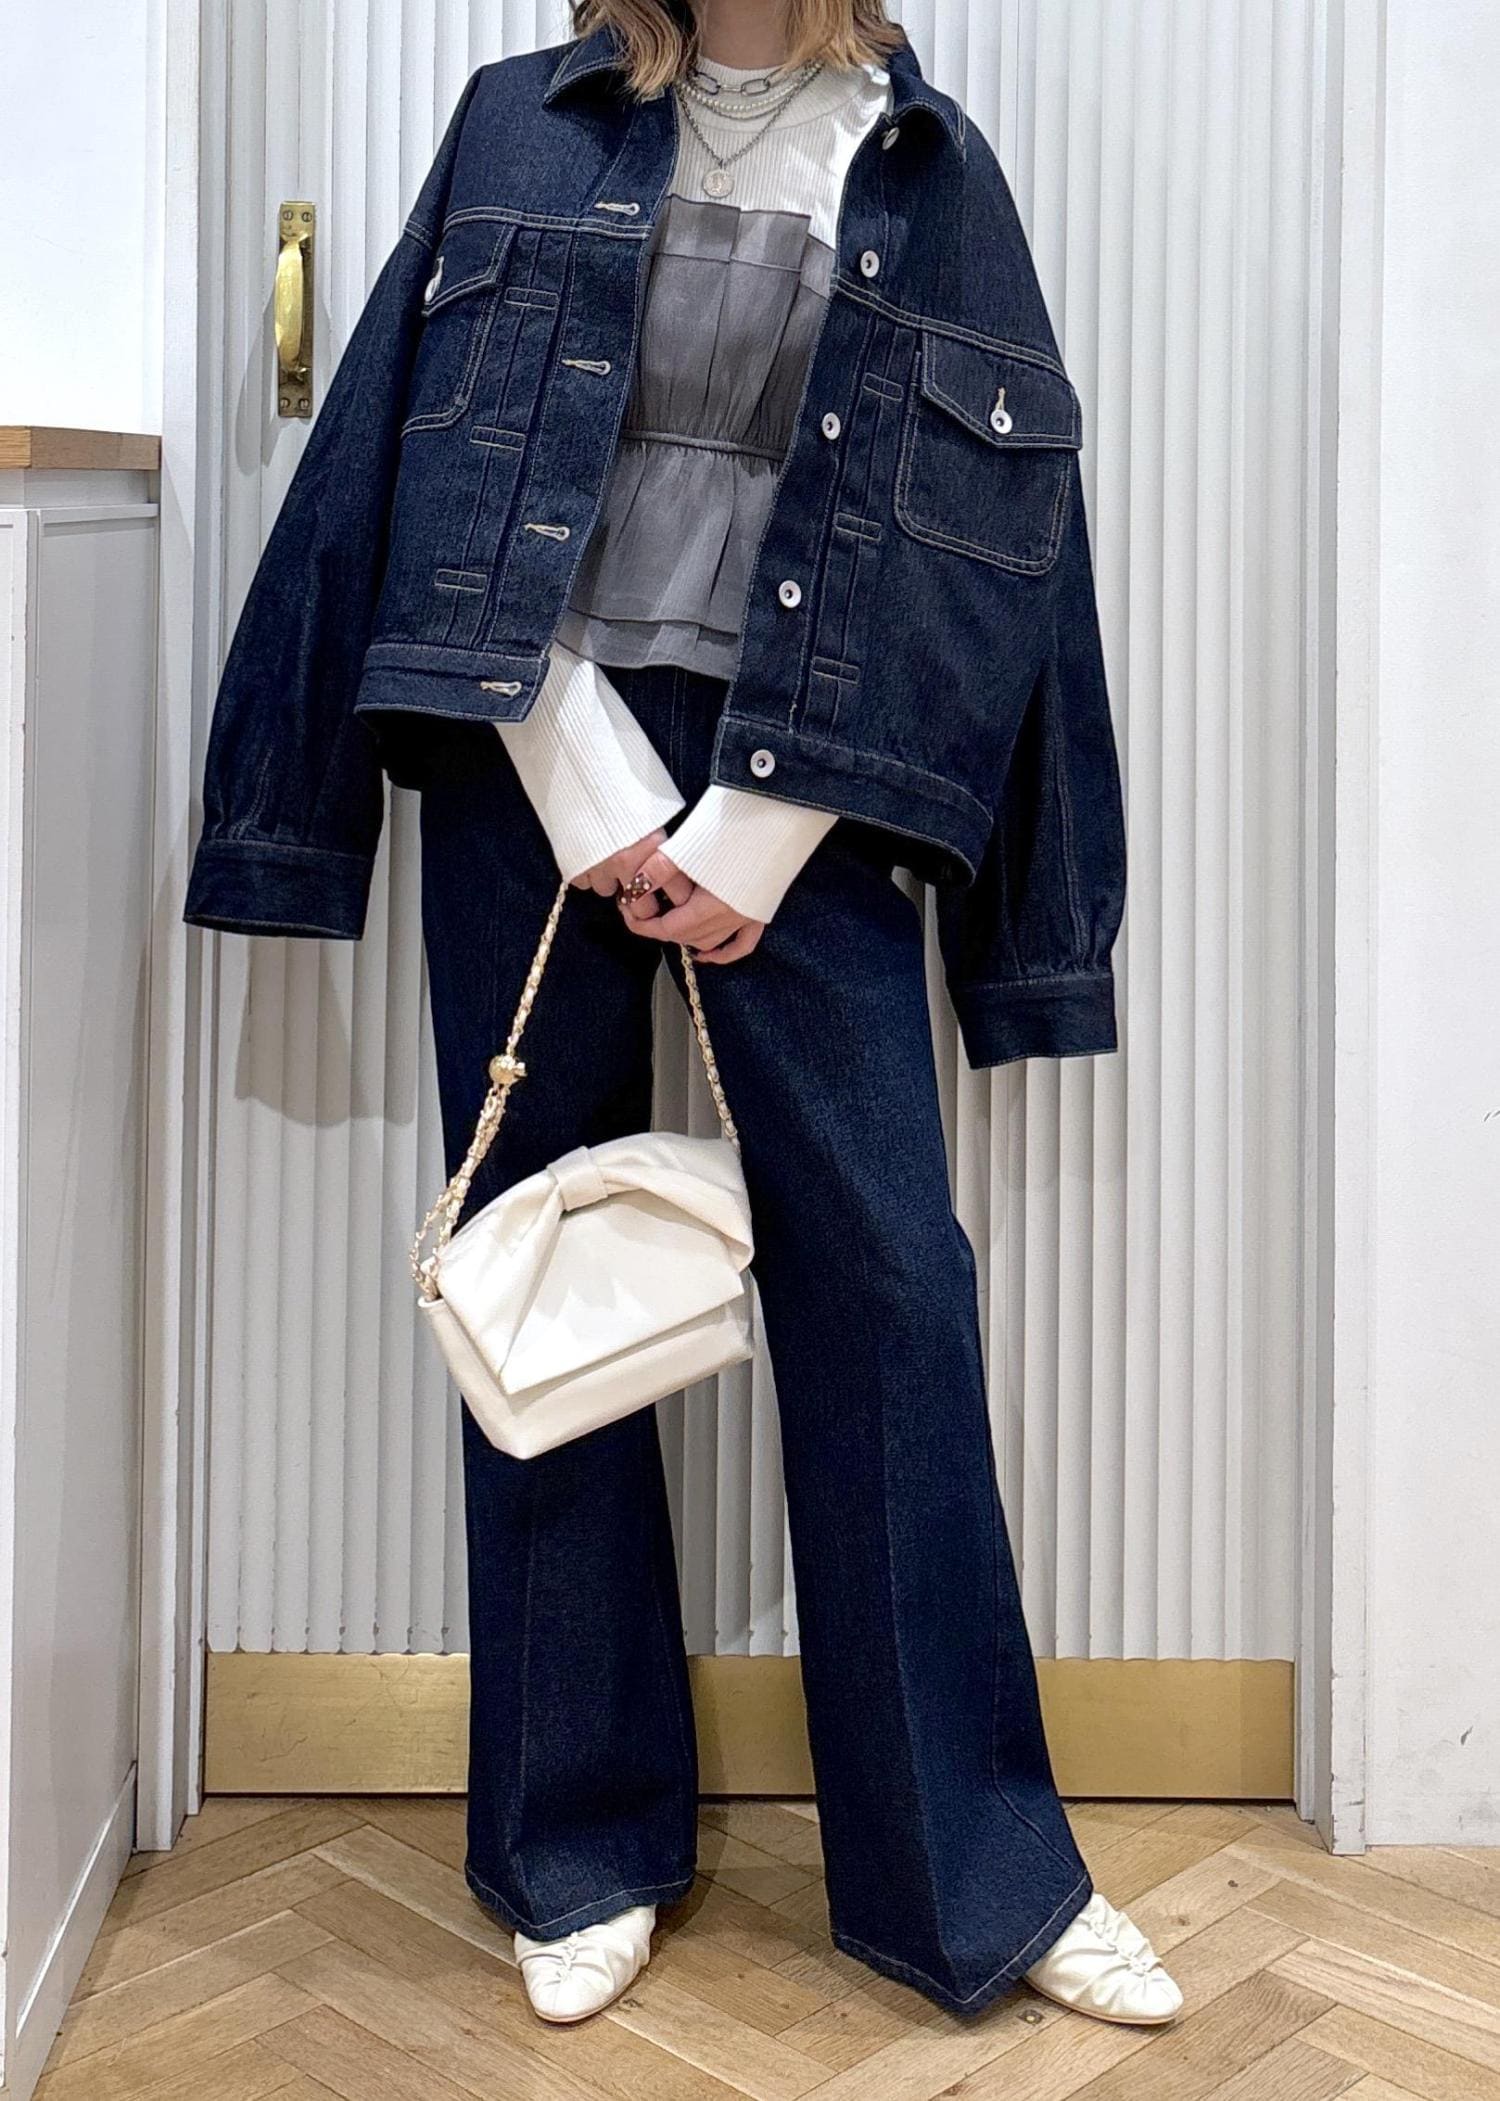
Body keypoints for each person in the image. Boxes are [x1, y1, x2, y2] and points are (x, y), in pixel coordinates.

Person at [185, 0, 1183, 2032]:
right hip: (533, 768)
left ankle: (982, 1872)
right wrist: (583, 787)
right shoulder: (519, 124)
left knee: (890, 1288)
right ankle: (578, 1839)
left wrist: (765, 830)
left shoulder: (927, 168)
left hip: (807, 788)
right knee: (545, 1281)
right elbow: (414, 464)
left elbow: (996, 565)